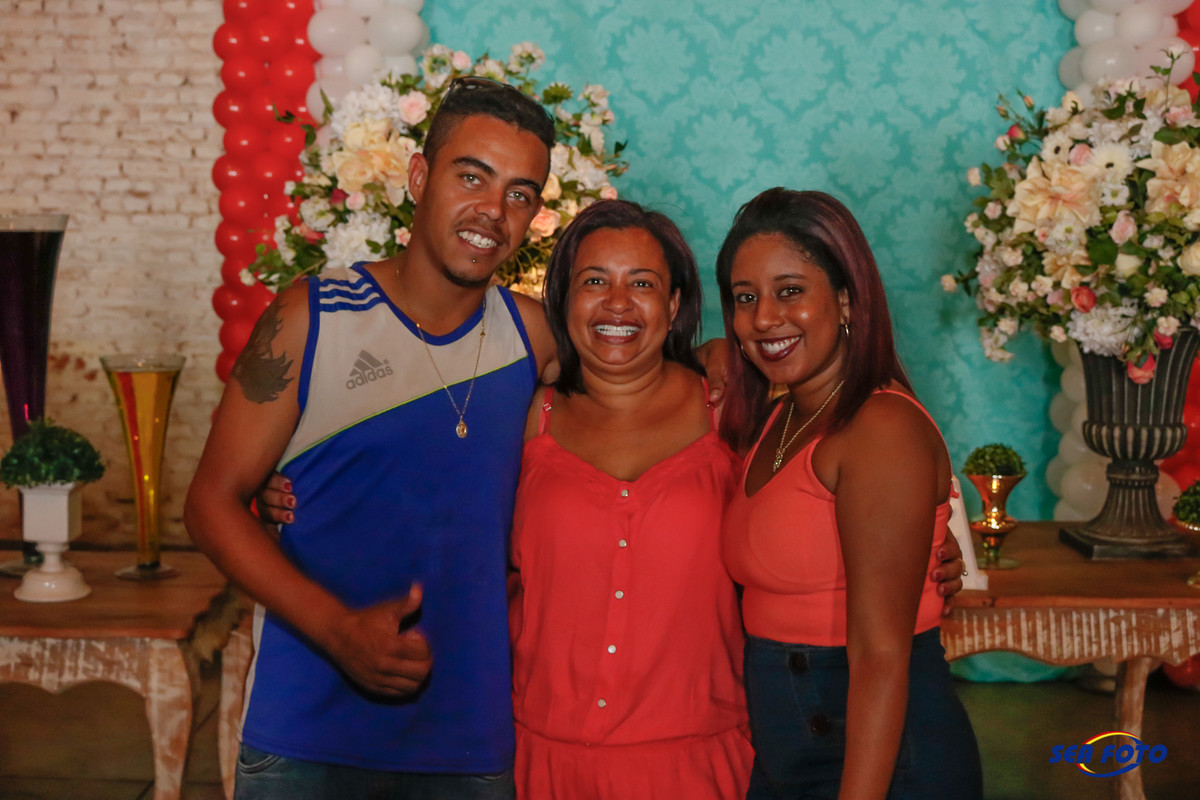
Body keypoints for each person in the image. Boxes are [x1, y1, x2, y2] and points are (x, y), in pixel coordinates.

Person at [185, 77, 561, 799]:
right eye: (472, 177)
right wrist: (338, 631)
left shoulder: (534, 336)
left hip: (469, 738)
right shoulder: (311, 317)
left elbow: (639, 391)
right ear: (418, 177)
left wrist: (718, 360)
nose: (494, 210)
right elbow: (210, 504)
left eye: (520, 194)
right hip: (305, 736)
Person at [716, 188, 983, 799]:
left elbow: (881, 657)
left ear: (846, 300)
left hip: (881, 756)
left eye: (790, 291)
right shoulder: (780, 417)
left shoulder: (881, 427)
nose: (764, 318)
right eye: (745, 298)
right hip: (791, 746)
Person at [507, 199, 753, 798]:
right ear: (563, 299)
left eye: (641, 283)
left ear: (673, 304)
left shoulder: (732, 410)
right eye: (595, 281)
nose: (617, 303)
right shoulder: (523, 416)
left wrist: (928, 552)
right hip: (541, 760)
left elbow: (815, 510)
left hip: (699, 762)